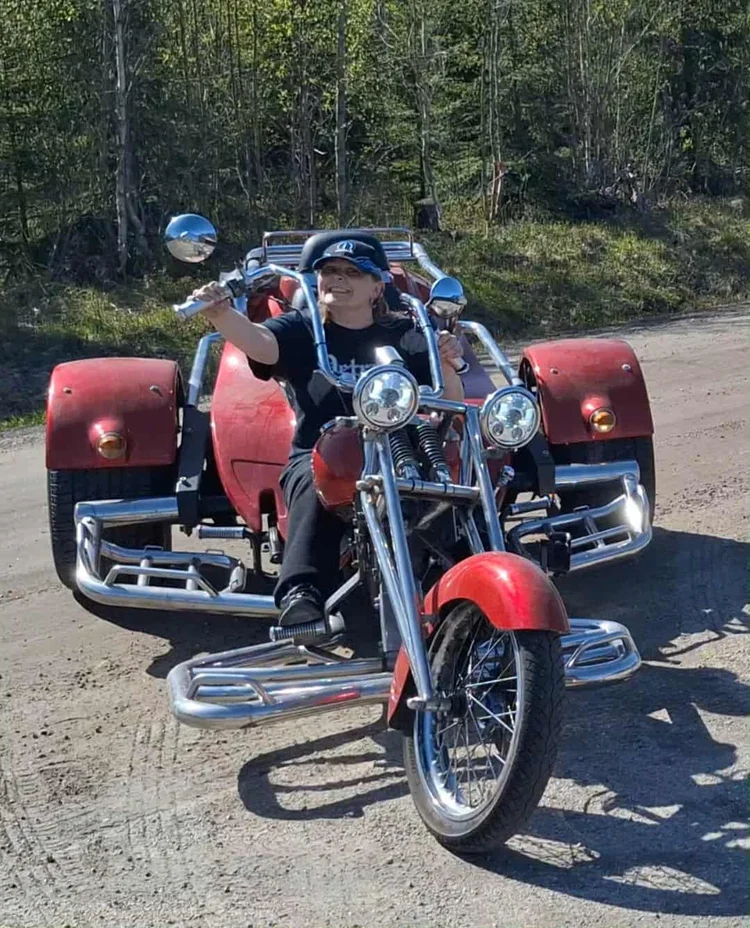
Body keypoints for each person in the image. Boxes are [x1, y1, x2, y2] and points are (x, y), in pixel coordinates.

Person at [191, 239, 464, 627]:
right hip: (322, 451)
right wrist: (221, 314)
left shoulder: (404, 331)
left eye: (353, 272)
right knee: (312, 479)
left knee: (449, 476)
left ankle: (463, 574)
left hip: (398, 450)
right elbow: (261, 345)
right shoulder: (302, 328)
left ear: (377, 287)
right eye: (330, 271)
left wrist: (447, 360)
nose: (338, 279)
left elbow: (449, 399)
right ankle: (302, 590)